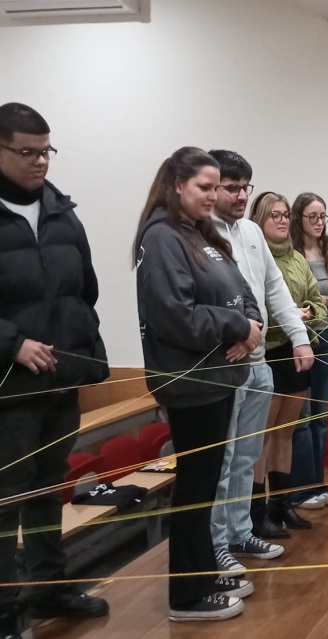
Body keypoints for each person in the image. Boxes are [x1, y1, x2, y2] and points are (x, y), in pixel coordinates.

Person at [134, 146, 259, 621]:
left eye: (215, 187)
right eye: (204, 188)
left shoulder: (200, 234)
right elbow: (176, 317)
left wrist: (251, 328)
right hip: (191, 381)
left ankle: (203, 570)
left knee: (207, 483)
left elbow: (242, 293)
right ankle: (186, 595)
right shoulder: (162, 238)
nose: (212, 196)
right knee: (196, 485)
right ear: (177, 185)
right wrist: (235, 326)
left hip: (220, 377)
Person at [0, 102, 110, 638]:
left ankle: (50, 589)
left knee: (47, 490)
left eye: (46, 151)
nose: (40, 161)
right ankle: (4, 613)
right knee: (7, 499)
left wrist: (83, 354)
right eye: (26, 152)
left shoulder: (62, 211)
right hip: (9, 387)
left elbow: (83, 290)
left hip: (61, 378)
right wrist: (13, 342)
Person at [207, 150, 311, 574]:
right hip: (224, 363)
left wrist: (300, 339)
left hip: (259, 361)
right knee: (225, 459)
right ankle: (216, 545)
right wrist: (232, 331)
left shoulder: (250, 231)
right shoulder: (198, 233)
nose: (240, 195)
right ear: (212, 187)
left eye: (245, 186)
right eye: (232, 188)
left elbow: (274, 291)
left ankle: (240, 530)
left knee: (248, 456)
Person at [250, 193, 325, 529]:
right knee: (263, 436)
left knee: (285, 432)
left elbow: (318, 301)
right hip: (268, 351)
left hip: (297, 348)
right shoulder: (255, 259)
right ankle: (257, 510)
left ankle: (282, 503)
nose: (281, 220)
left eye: (284, 215)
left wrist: (307, 313)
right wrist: (287, 316)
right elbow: (256, 308)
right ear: (259, 220)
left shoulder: (296, 258)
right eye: (273, 215)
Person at [289, 193, 328, 509]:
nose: (318, 222)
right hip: (298, 338)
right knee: (304, 416)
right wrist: (316, 304)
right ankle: (302, 489)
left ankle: (318, 482)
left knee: (321, 416)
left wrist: (323, 303)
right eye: (312, 216)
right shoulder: (291, 252)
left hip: (326, 334)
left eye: (323, 216)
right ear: (299, 218)